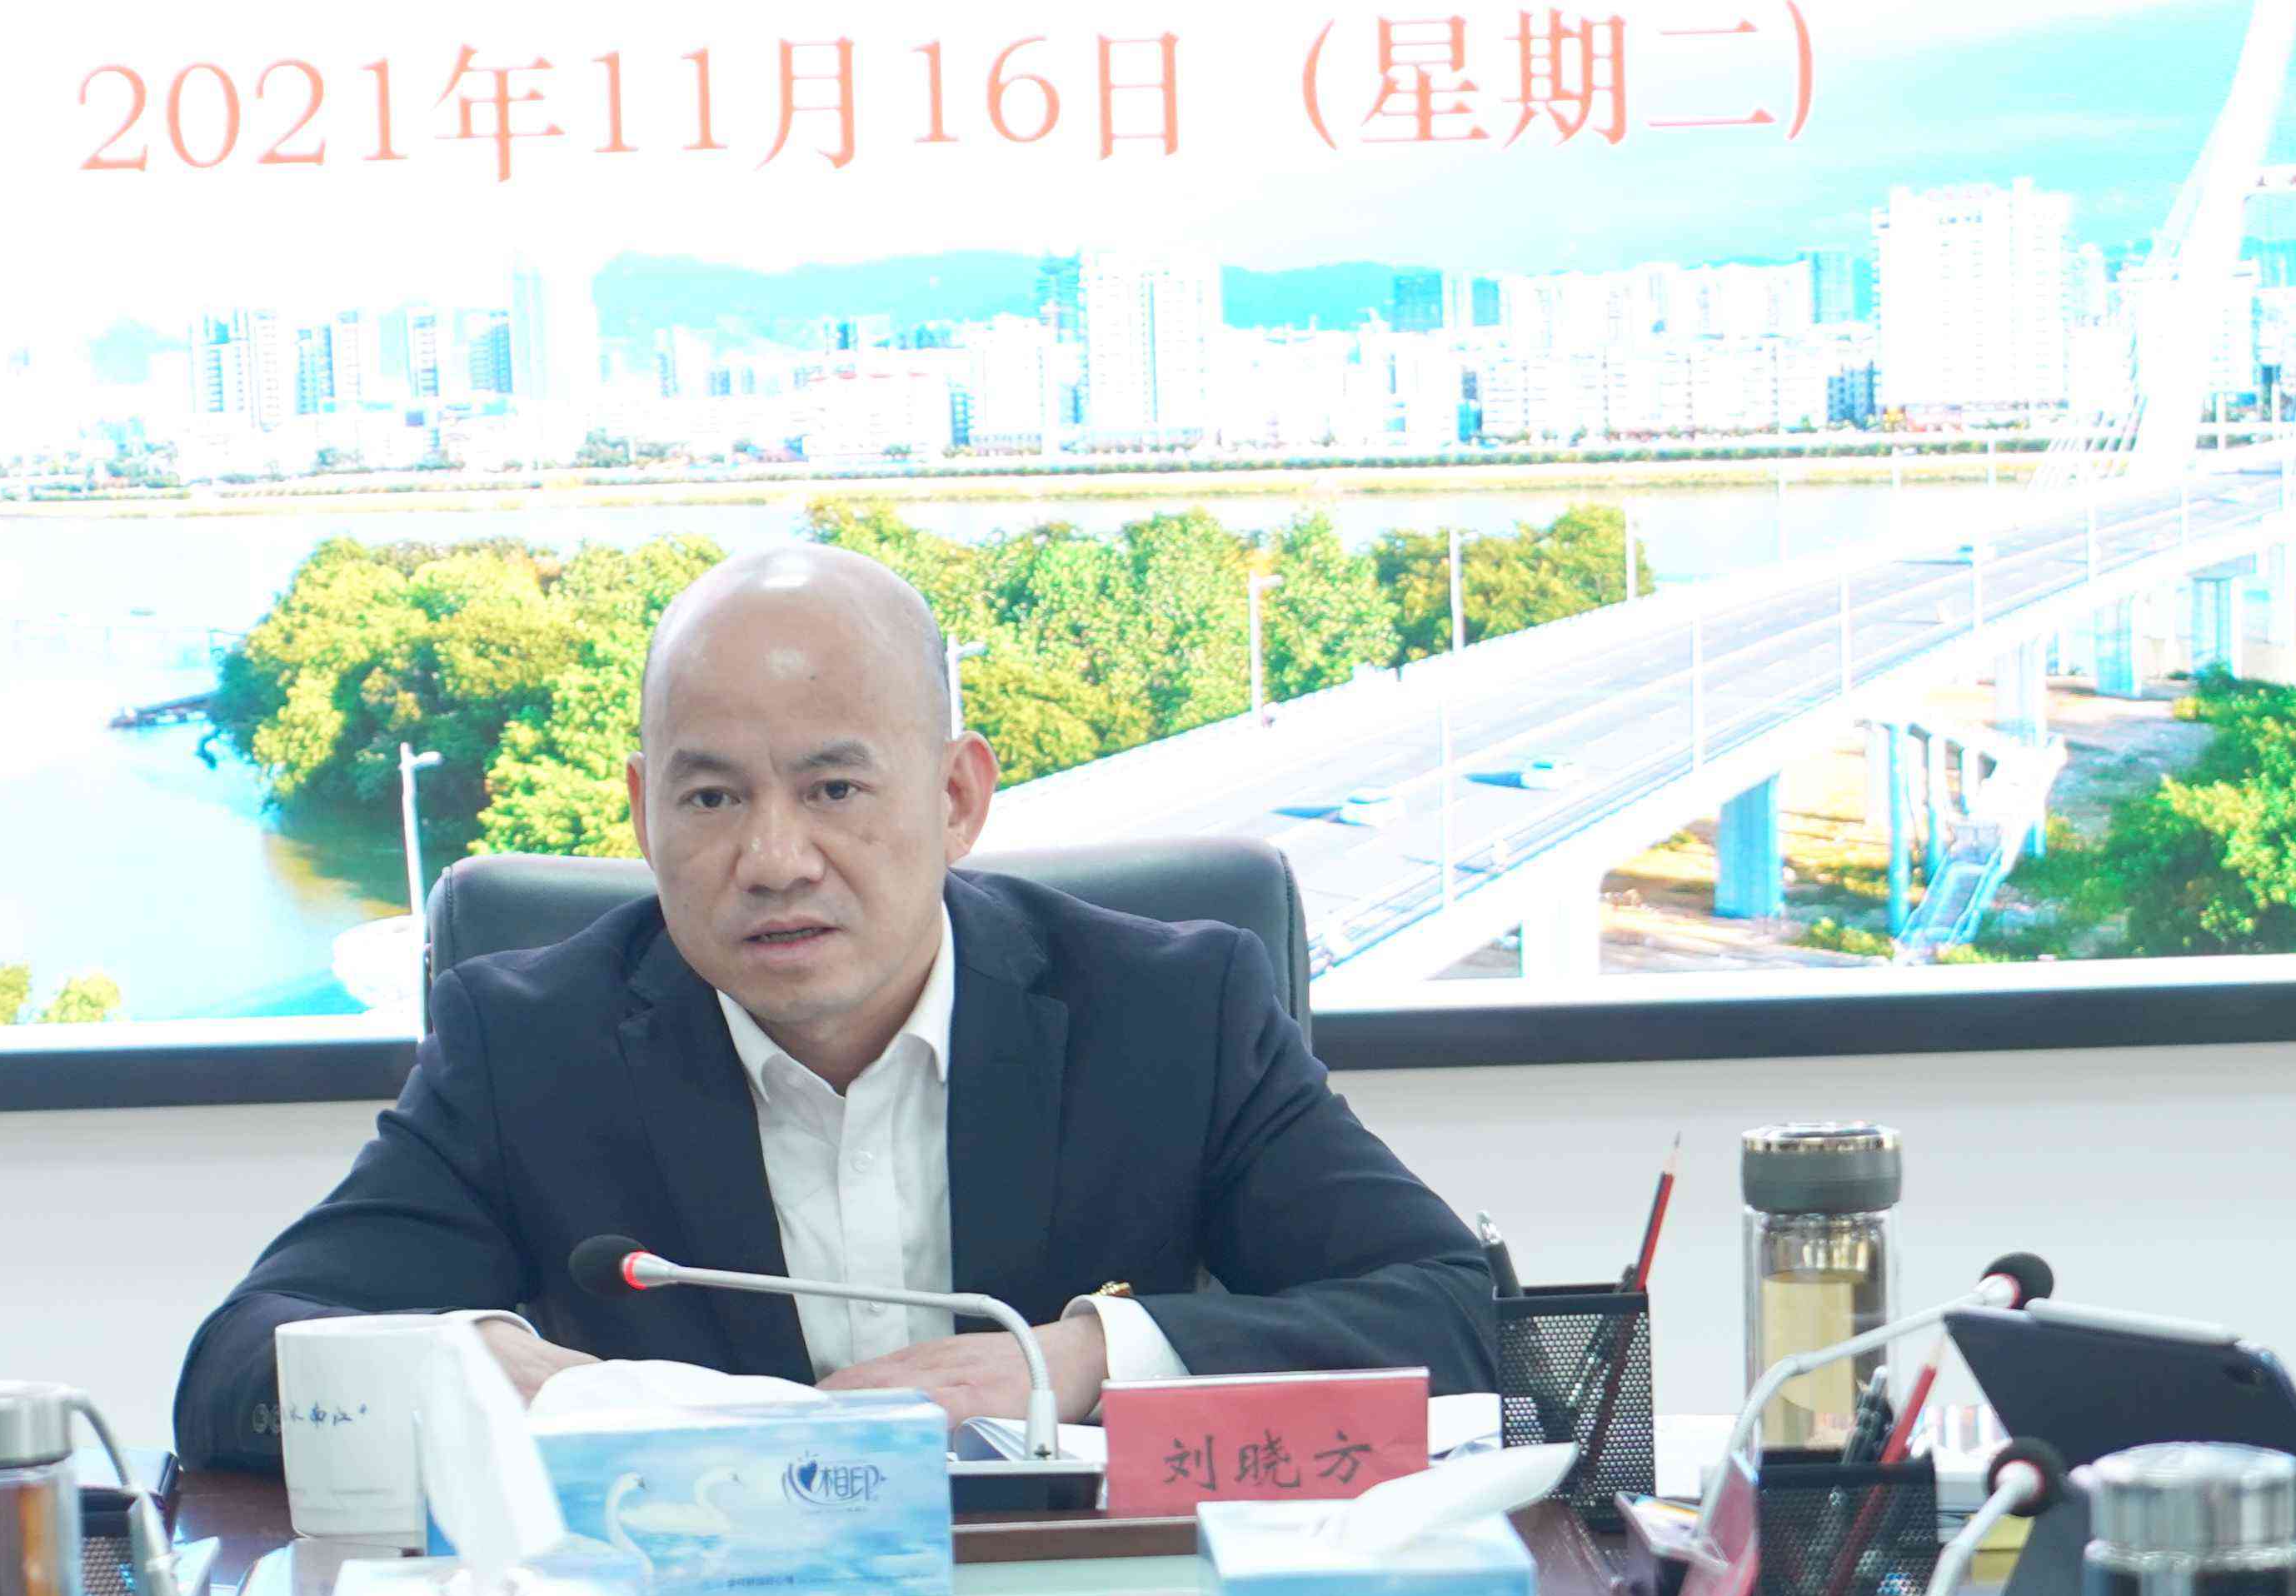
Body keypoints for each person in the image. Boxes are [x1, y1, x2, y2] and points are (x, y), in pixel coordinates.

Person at [173, 544, 1500, 1472]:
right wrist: (479, 1367)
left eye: (835, 790)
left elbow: (1458, 1318)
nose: (774, 858)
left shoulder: (1169, 1010)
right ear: (640, 811)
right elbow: (235, 1368)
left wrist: (1080, 1358)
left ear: (958, 797)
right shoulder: (526, 1046)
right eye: (710, 797)